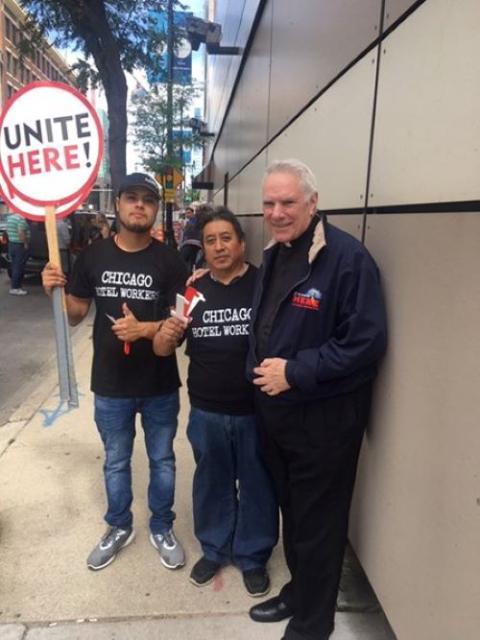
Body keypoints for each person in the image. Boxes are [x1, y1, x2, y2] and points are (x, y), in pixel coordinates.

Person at [246, 160, 387, 640]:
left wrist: (296, 371)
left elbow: (365, 342)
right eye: (269, 203)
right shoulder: (277, 252)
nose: (277, 212)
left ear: (313, 202)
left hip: (325, 421)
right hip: (278, 416)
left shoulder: (347, 258)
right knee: (292, 512)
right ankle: (299, 592)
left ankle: (312, 624)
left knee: (320, 525)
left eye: (288, 202)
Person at [41, 173, 189, 572]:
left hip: (159, 384)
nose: (139, 205)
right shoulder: (93, 257)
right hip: (110, 384)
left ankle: (162, 526)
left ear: (156, 209)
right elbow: (74, 316)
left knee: (163, 461)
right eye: (131, 198)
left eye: (148, 199)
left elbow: (180, 325)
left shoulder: (170, 261)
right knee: (116, 461)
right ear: (118, 205)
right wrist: (53, 290)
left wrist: (145, 329)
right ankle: (119, 526)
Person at [154, 207, 278, 596]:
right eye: (211, 240)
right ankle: (214, 548)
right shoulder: (192, 292)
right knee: (212, 482)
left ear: (241, 243)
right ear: (202, 249)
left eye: (227, 238)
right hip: (206, 409)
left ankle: (254, 556)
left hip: (255, 410)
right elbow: (161, 348)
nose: (219, 246)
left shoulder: (264, 285)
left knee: (258, 484)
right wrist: (169, 332)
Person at [178, 202, 213, 272]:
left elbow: (183, 238)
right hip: (199, 252)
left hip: (186, 250)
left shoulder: (189, 225)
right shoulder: (208, 227)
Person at [6, 212, 30, 295]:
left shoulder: (10, 218)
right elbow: (21, 232)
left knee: (14, 266)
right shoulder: (21, 219)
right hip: (19, 245)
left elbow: (7, 231)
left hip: (12, 244)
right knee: (18, 267)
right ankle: (15, 288)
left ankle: (16, 286)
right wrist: (25, 243)